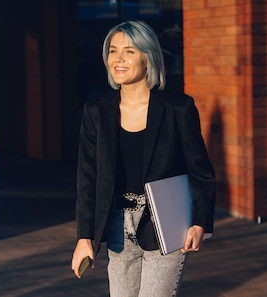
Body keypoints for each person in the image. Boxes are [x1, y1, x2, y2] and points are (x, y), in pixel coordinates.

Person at [70, 20, 216, 297]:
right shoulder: (96, 110)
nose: (118, 59)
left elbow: (200, 171)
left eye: (130, 51)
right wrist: (84, 236)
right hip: (115, 224)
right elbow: (87, 177)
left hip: (165, 223)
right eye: (112, 51)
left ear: (148, 59)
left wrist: (200, 222)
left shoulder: (178, 108)